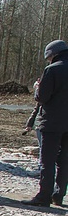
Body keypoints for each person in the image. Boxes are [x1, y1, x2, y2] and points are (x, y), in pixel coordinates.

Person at [23, 39, 68, 207]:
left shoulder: (52, 70)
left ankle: (44, 196)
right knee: (64, 161)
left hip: (51, 122)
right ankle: (59, 195)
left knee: (47, 160)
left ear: (53, 54)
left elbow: (42, 97)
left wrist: (37, 88)